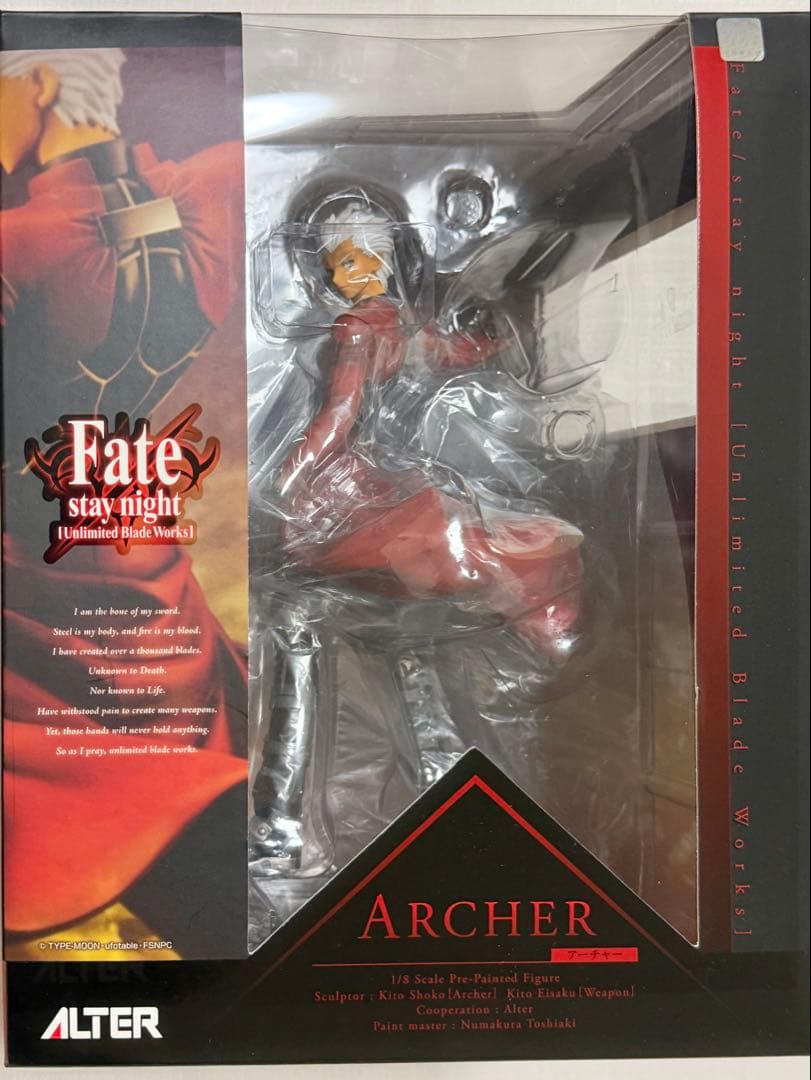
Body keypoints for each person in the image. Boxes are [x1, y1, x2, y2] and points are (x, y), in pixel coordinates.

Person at [1, 47, 248, 956]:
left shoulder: (16, 245)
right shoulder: (215, 188)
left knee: (94, 819)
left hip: (38, 602)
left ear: (37, 87)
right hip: (149, 580)